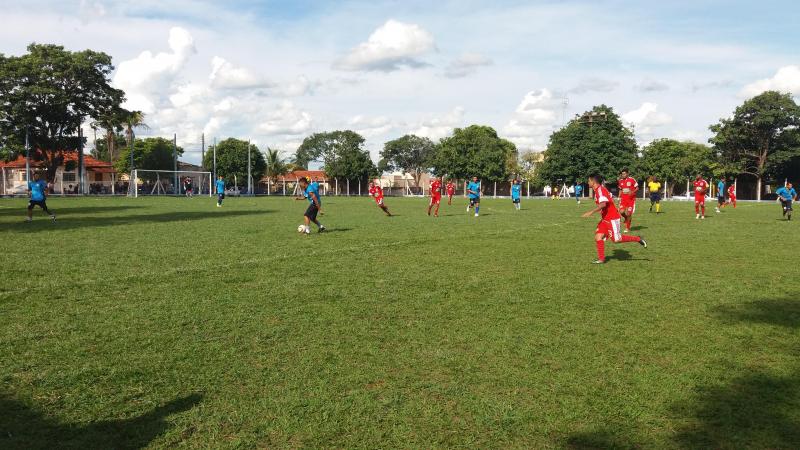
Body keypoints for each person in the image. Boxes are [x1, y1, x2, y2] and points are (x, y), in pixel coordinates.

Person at [582, 174, 647, 264]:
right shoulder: (598, 189)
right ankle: (601, 259)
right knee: (598, 237)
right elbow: (610, 196)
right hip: (605, 218)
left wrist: (591, 212)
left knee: (616, 240)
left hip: (612, 218)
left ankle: (638, 239)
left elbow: (603, 204)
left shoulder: (600, 190)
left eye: (589, 180)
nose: (588, 182)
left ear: (593, 182)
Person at [617, 168, 638, 232]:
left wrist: (632, 192)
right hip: (623, 199)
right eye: (622, 174)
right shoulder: (620, 181)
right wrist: (618, 197)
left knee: (629, 213)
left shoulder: (632, 180)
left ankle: (627, 228)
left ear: (627, 174)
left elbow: (637, 188)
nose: (623, 175)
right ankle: (626, 218)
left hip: (631, 200)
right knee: (621, 212)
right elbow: (620, 189)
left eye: (624, 174)